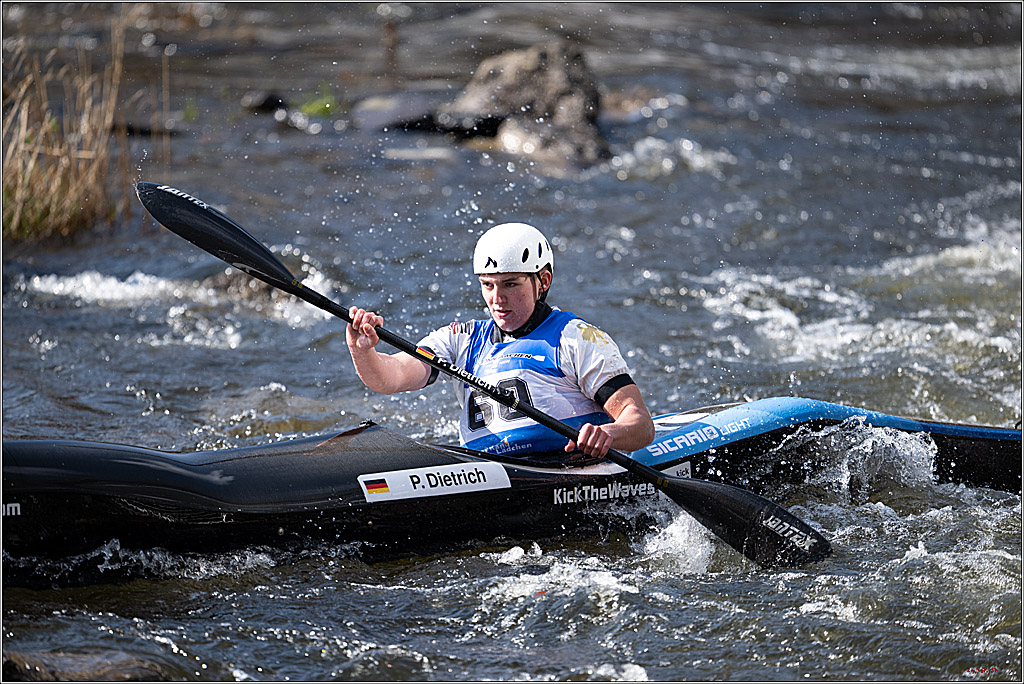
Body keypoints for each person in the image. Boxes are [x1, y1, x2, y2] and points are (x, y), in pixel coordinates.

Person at [346, 222, 655, 460]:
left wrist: (609, 434)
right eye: (487, 285)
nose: (497, 298)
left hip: (564, 469)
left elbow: (640, 423)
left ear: (542, 281)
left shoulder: (575, 337)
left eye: (510, 284)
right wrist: (363, 351)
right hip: (489, 474)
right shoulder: (460, 339)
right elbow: (391, 377)